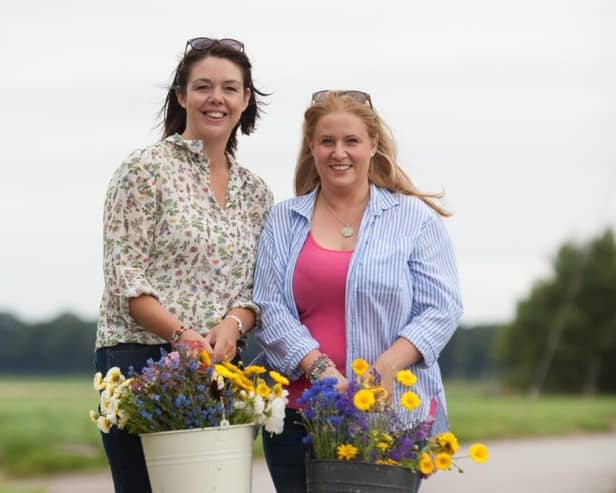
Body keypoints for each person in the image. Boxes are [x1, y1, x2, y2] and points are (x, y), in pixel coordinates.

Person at [252, 90, 462, 492]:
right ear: (311, 147)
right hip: (302, 410)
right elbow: (269, 307)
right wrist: (321, 371)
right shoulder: (283, 220)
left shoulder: (413, 218)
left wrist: (385, 366)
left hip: (392, 409)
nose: (339, 153)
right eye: (327, 141)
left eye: (351, 141)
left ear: (373, 145)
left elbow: (442, 307)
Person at [94, 37, 273, 493]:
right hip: (139, 360)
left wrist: (233, 324)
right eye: (204, 87)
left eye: (230, 88)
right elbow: (125, 278)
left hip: (224, 367)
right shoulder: (144, 169)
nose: (217, 98)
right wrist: (180, 335)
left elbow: (257, 288)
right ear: (181, 96)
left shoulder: (257, 193)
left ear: (246, 99)